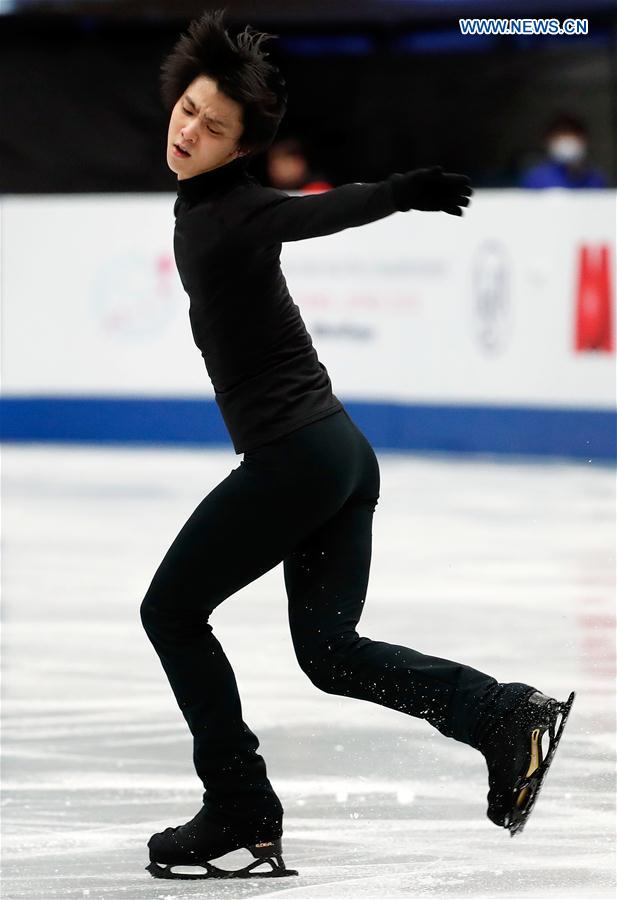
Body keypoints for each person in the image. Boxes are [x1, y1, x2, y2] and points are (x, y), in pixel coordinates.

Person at [140, 8, 575, 881]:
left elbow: (309, 214)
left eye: (213, 127)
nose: (191, 131)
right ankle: (500, 716)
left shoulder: (234, 213)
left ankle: (238, 803)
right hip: (338, 453)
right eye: (189, 110)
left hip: (295, 461)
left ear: (238, 148)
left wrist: (394, 193)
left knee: (171, 612)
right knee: (330, 654)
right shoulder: (206, 208)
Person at [520, 114, 607, 189]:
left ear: (584, 140)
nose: (567, 141)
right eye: (561, 135)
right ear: (548, 141)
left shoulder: (595, 178)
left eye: (572, 134)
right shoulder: (537, 178)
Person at [266, 136, 333, 192]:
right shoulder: (268, 193)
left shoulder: (318, 190)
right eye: (272, 165)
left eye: (285, 163)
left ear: (299, 163)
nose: (276, 170)